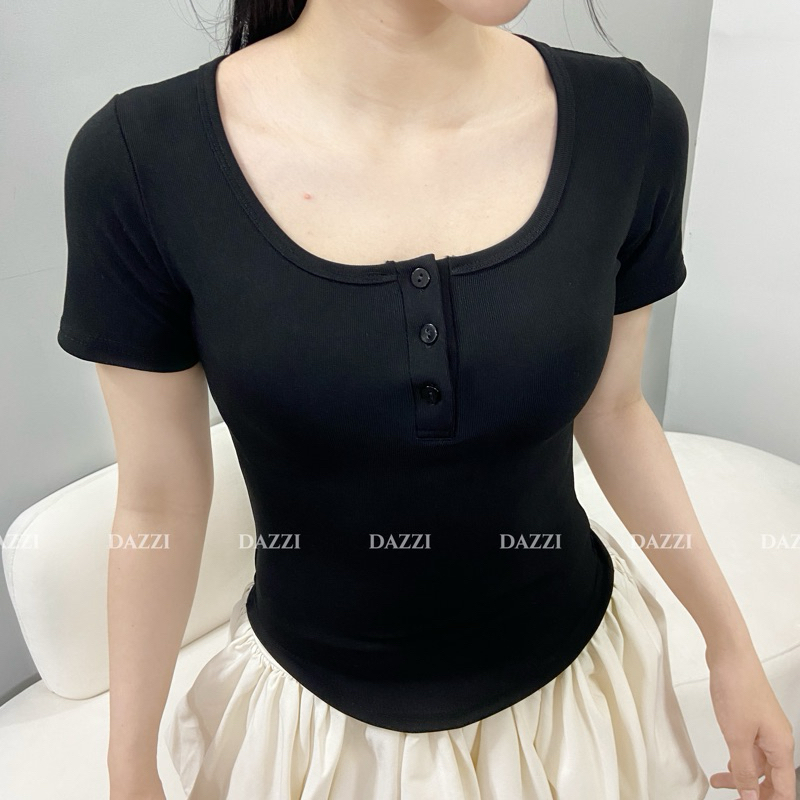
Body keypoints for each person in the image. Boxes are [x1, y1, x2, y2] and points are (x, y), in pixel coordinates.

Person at [56, 1, 796, 799]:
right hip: (313, 735)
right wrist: (129, 766)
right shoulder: (140, 161)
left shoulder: (630, 121)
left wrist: (728, 644)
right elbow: (159, 499)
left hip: (579, 711)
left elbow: (615, 409)